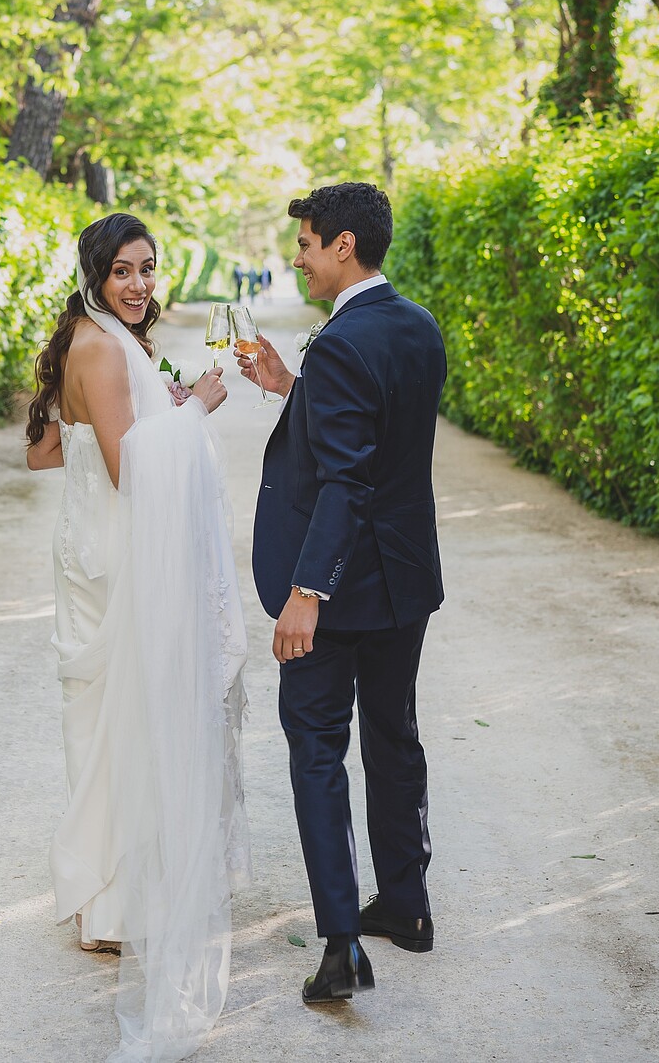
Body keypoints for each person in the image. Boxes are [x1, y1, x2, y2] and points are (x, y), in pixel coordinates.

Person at [25, 213, 251, 1061]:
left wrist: (144, 405)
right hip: (116, 558)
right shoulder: (98, 347)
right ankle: (112, 909)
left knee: (106, 718)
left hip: (93, 548)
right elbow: (129, 466)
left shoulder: (93, 338)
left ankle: (102, 897)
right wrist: (195, 406)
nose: (139, 284)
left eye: (148, 269)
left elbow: (49, 452)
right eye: (122, 270)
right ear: (95, 271)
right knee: (122, 719)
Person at [234, 182, 446, 1005]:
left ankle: (340, 947)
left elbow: (346, 481)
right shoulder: (416, 326)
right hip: (404, 582)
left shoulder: (344, 343)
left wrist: (306, 593)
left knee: (317, 749)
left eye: (308, 244)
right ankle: (407, 904)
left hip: (340, 587)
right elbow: (377, 438)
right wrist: (294, 385)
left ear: (345, 245)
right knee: (394, 736)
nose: (299, 258)